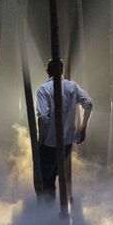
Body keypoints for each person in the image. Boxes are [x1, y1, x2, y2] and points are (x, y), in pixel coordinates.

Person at [35, 58, 92, 199]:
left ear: (47, 72)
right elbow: (89, 103)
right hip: (67, 142)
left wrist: (41, 139)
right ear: (61, 71)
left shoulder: (43, 89)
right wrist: (83, 128)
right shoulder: (72, 87)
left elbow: (43, 116)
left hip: (49, 143)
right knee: (53, 176)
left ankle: (45, 214)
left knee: (43, 181)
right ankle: (52, 213)